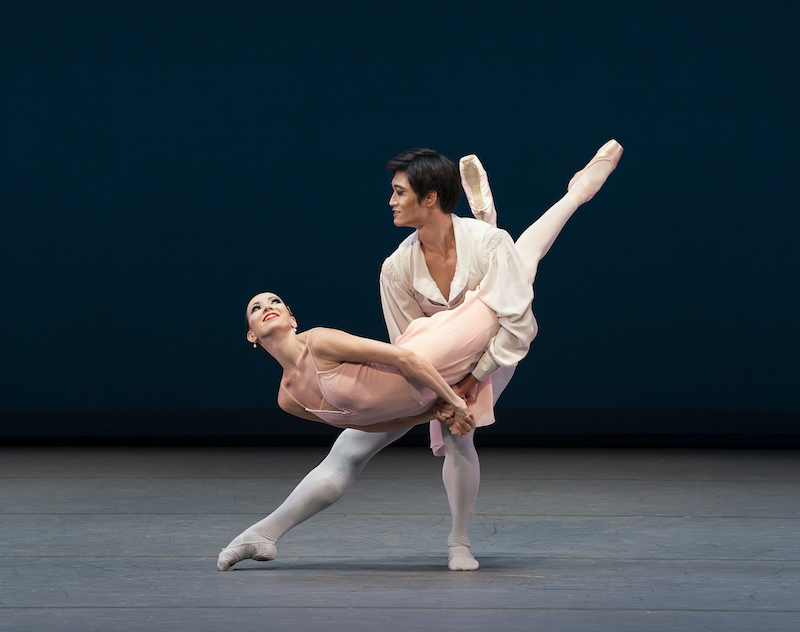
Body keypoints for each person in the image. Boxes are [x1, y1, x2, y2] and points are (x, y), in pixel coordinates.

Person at [217, 140, 624, 571]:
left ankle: (459, 542)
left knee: (519, 265)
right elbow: (406, 341)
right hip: (430, 361)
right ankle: (263, 533)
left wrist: (470, 382)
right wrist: (430, 398)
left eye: (399, 192)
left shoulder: (486, 245)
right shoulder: (396, 268)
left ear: (429, 197)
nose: (390, 201)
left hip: (494, 347)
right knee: (348, 449)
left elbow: (519, 325)